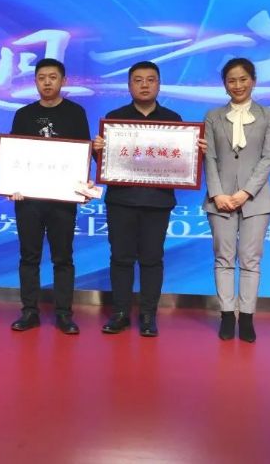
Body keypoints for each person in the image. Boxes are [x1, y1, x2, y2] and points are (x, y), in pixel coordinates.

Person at [93, 61, 205, 337]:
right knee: (120, 258)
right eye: (138, 80)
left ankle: (147, 315)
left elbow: (181, 164)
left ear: (159, 84)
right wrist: (98, 151)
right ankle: (120, 313)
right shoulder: (115, 118)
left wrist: (196, 152)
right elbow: (106, 165)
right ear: (129, 85)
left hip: (157, 202)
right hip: (121, 201)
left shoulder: (174, 120)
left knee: (152, 260)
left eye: (150, 79)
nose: (144, 85)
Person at [8, 58, 91, 335]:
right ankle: (29, 311)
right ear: (35, 81)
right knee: (29, 257)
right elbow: (13, 155)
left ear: (63, 81)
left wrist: (83, 187)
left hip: (62, 200)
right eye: (41, 77)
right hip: (29, 200)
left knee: (62, 258)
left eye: (53, 77)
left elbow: (83, 152)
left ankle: (64, 314)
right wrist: (11, 184)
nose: (47, 82)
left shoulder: (76, 113)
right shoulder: (23, 115)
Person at [204, 57, 270, 342]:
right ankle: (226, 315)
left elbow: (268, 158)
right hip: (220, 199)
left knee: (250, 260)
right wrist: (217, 193)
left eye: (243, 79)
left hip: (256, 199)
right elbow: (209, 158)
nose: (238, 85)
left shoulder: (269, 115)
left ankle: (246, 317)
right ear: (224, 85)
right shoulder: (213, 116)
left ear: (253, 81)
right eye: (231, 80)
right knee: (223, 258)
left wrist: (245, 192)